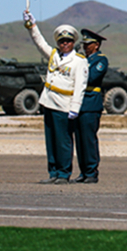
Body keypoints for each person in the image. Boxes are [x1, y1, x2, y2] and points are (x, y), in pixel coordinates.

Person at [23, 10, 88, 184]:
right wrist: (32, 26)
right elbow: (39, 42)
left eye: (68, 41)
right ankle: (53, 172)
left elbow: (80, 86)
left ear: (73, 42)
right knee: (51, 141)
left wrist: (75, 108)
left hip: (64, 104)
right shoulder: (53, 55)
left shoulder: (79, 61)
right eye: (61, 41)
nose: (64, 44)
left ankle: (64, 173)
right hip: (48, 102)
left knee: (63, 141)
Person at [73, 28, 108, 183]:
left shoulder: (101, 60)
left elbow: (91, 77)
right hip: (78, 104)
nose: (85, 47)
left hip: (90, 103)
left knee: (88, 139)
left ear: (97, 45)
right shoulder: (82, 60)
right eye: (84, 44)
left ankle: (91, 172)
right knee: (80, 140)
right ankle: (83, 171)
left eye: (88, 44)